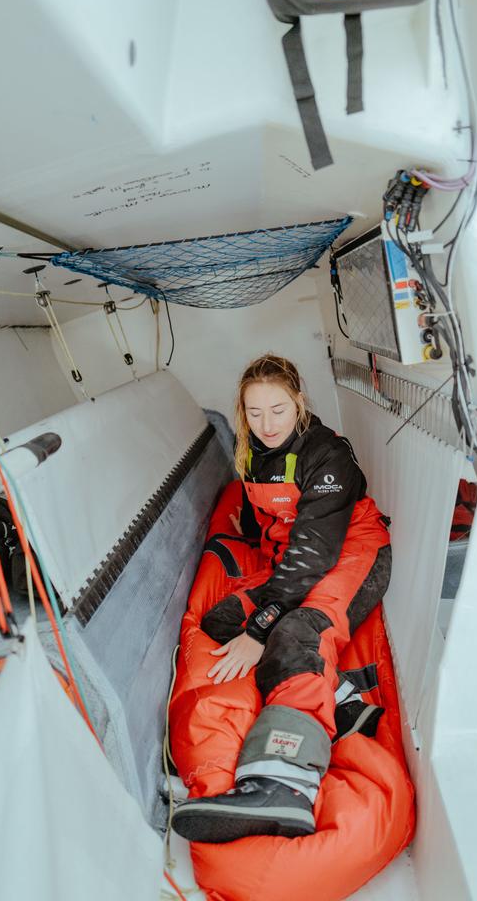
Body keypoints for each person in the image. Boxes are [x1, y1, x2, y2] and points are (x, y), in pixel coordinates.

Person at [172, 354, 391, 843]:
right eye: (254, 413)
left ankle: (282, 784)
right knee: (222, 620)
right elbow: (265, 510)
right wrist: (251, 538)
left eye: (278, 410)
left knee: (295, 632)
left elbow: (313, 556)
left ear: (299, 402)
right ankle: (342, 701)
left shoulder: (326, 454)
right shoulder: (252, 449)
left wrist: (260, 629)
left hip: (352, 553)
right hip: (294, 559)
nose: (267, 424)